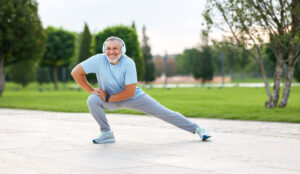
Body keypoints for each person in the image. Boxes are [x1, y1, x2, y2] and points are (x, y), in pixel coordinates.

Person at [71, 36, 211, 144]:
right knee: (92, 100)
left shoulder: (128, 63)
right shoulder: (98, 60)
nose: (111, 52)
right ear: (104, 50)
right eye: (108, 48)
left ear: (122, 50)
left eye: (115, 48)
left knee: (163, 112)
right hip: (109, 98)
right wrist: (91, 90)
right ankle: (107, 134)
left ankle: (197, 129)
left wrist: (108, 97)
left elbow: (129, 92)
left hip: (132, 97)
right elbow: (76, 72)